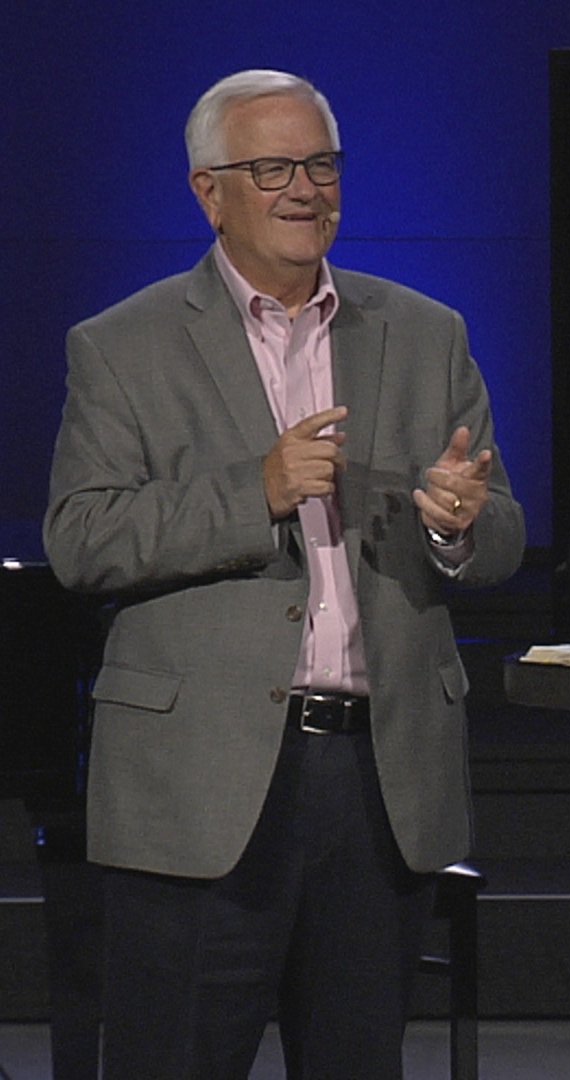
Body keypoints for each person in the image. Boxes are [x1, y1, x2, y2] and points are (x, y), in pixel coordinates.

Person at [43, 68, 525, 1078]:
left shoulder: (425, 332)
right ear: (208, 192)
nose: (306, 189)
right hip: (198, 780)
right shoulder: (123, 346)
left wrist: (458, 525)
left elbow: (502, 532)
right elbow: (82, 537)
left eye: (322, 164)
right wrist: (253, 491)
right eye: (272, 169)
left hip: (378, 777)